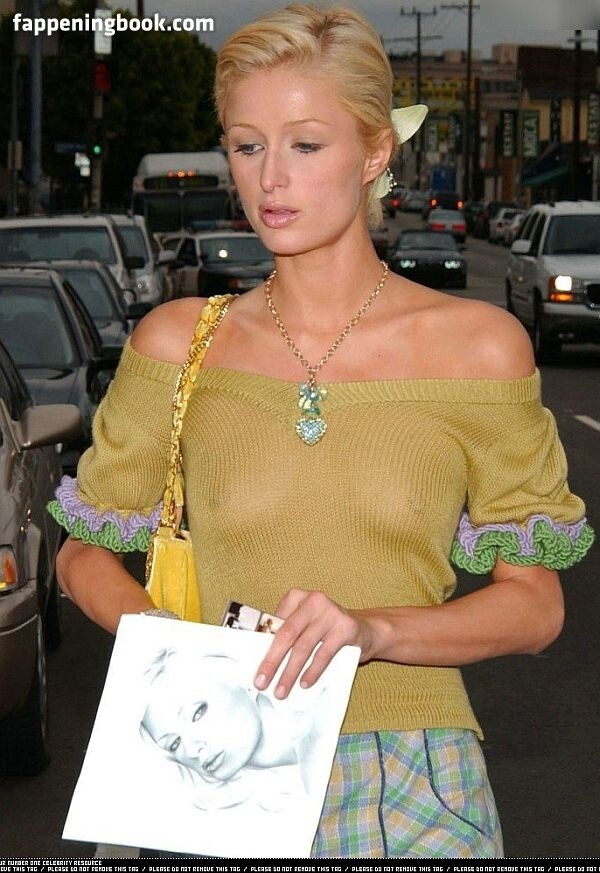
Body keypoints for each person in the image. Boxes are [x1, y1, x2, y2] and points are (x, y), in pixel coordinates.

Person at [51, 3, 594, 858]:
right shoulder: (178, 343)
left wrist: (372, 630)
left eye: (305, 145)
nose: (271, 179)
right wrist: (182, 655)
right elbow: (82, 555)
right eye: (247, 145)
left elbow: (535, 604)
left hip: (411, 778)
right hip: (214, 775)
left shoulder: (479, 348)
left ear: (375, 152)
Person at [139, 649, 324, 811]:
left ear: (240, 677)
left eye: (198, 713)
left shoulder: (325, 719)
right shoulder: (271, 803)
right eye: (174, 743)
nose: (192, 750)